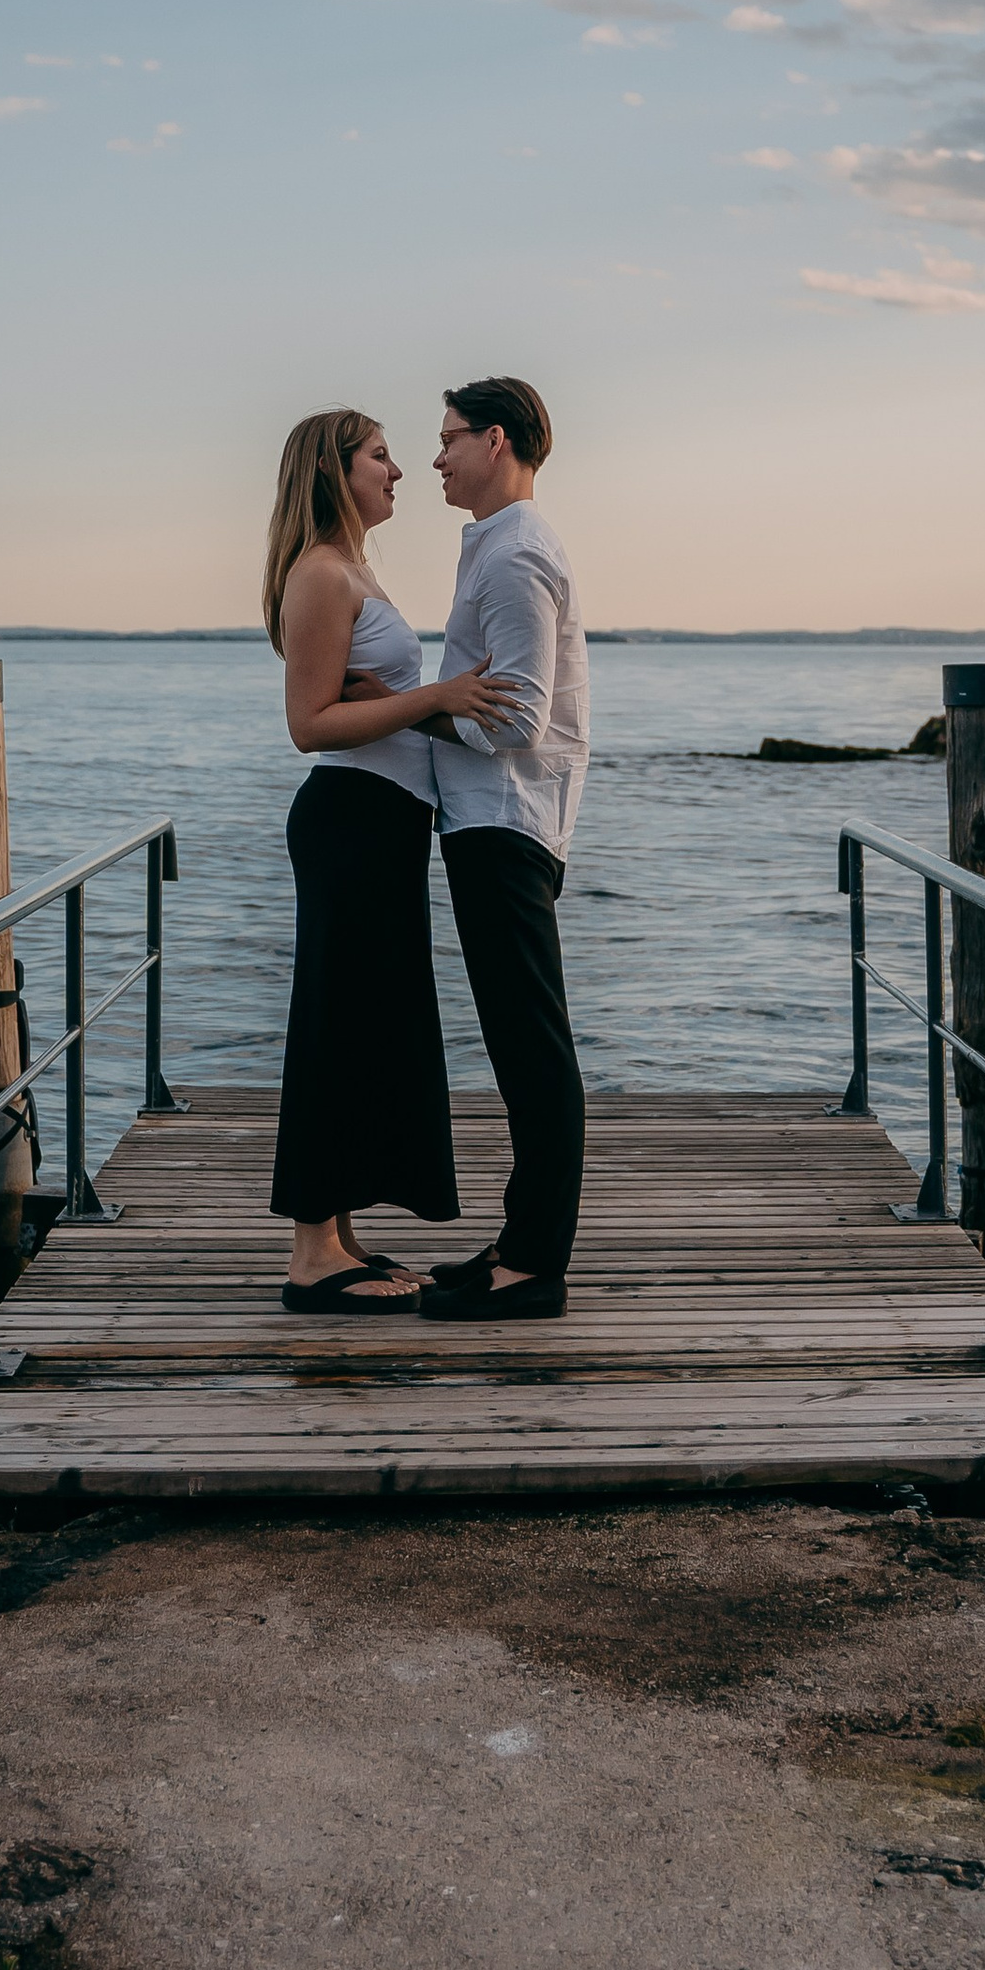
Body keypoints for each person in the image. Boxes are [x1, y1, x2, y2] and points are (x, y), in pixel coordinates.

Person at [263, 408, 523, 1315]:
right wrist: (435, 697)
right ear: (333, 472)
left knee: (366, 1024)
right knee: (335, 1024)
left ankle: (335, 1237)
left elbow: (360, 700)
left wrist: (418, 702)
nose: (399, 471)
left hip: (383, 824)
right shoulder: (320, 574)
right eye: (380, 456)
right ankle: (309, 1258)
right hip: (351, 823)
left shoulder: (352, 570)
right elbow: (309, 726)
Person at [415, 376, 590, 1326]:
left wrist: (414, 710)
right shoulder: (495, 543)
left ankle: (535, 1267)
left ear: (496, 440)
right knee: (520, 1046)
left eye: (449, 438)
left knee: (532, 1050)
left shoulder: (517, 554)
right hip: (492, 823)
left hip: (508, 824)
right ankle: (522, 1242)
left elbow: (516, 719)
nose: (436, 457)